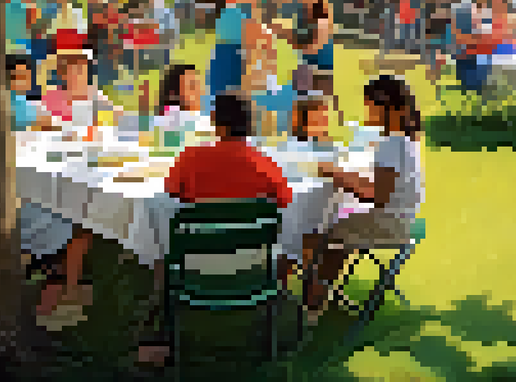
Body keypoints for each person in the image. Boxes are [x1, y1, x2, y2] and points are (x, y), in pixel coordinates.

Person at [306, 76, 425, 320]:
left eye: (369, 105)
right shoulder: (406, 139)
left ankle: (312, 304)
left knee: (318, 233)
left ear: (385, 107)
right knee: (338, 227)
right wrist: (347, 176)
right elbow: (385, 186)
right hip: (403, 220)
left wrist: (339, 177)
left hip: (389, 223)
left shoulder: (391, 143)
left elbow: (377, 196)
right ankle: (323, 294)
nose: (366, 110)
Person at [165, 93, 292, 207]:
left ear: (216, 121)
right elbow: (285, 200)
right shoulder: (266, 165)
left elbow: (170, 194)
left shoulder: (189, 158)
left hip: (202, 231)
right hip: (253, 233)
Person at [210, 0, 264, 100]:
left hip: (232, 71)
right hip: (230, 72)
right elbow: (249, 49)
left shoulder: (243, 14)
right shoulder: (234, 14)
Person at [153, 63, 211, 133]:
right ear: (174, 93)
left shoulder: (203, 119)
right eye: (192, 86)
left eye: (200, 85)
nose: (200, 91)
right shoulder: (170, 122)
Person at [8, 54, 41, 131]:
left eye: (25, 77)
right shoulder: (8, 101)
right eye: (18, 77)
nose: (22, 82)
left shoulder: (32, 102)